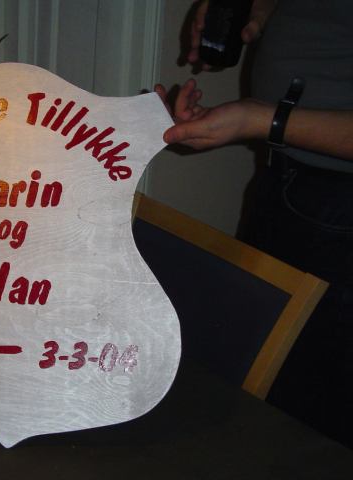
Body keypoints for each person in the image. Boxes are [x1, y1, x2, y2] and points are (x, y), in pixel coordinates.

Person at [156, 0, 353, 448]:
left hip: (339, 206)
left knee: (312, 408)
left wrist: (263, 119)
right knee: (259, 370)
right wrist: (262, 9)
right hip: (286, 177)